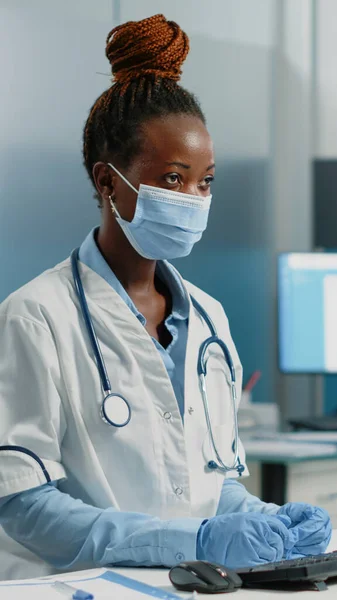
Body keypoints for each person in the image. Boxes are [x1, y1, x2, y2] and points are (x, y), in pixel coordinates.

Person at [0, 13, 331, 581]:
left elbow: (210, 485)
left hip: (188, 585)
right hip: (76, 587)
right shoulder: (35, 316)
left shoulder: (209, 319)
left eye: (206, 181)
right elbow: (22, 502)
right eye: (174, 179)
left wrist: (266, 522)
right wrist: (186, 540)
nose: (194, 199)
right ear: (108, 183)